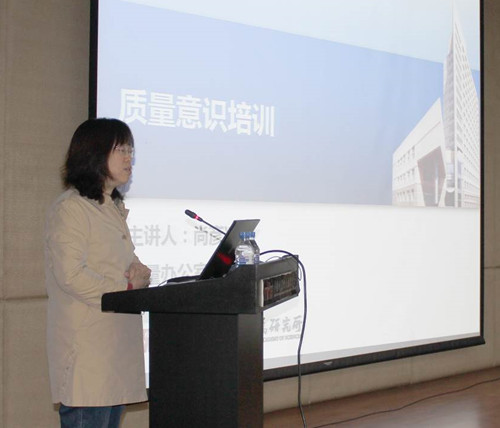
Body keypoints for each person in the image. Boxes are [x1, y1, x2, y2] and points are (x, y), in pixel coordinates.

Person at [45, 118, 151, 428]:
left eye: (130, 150)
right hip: (88, 355)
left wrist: (139, 271)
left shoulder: (110, 207)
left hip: (114, 352)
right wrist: (126, 287)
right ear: (94, 153)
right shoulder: (72, 209)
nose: (129, 158)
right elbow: (71, 276)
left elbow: (124, 263)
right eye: (121, 150)